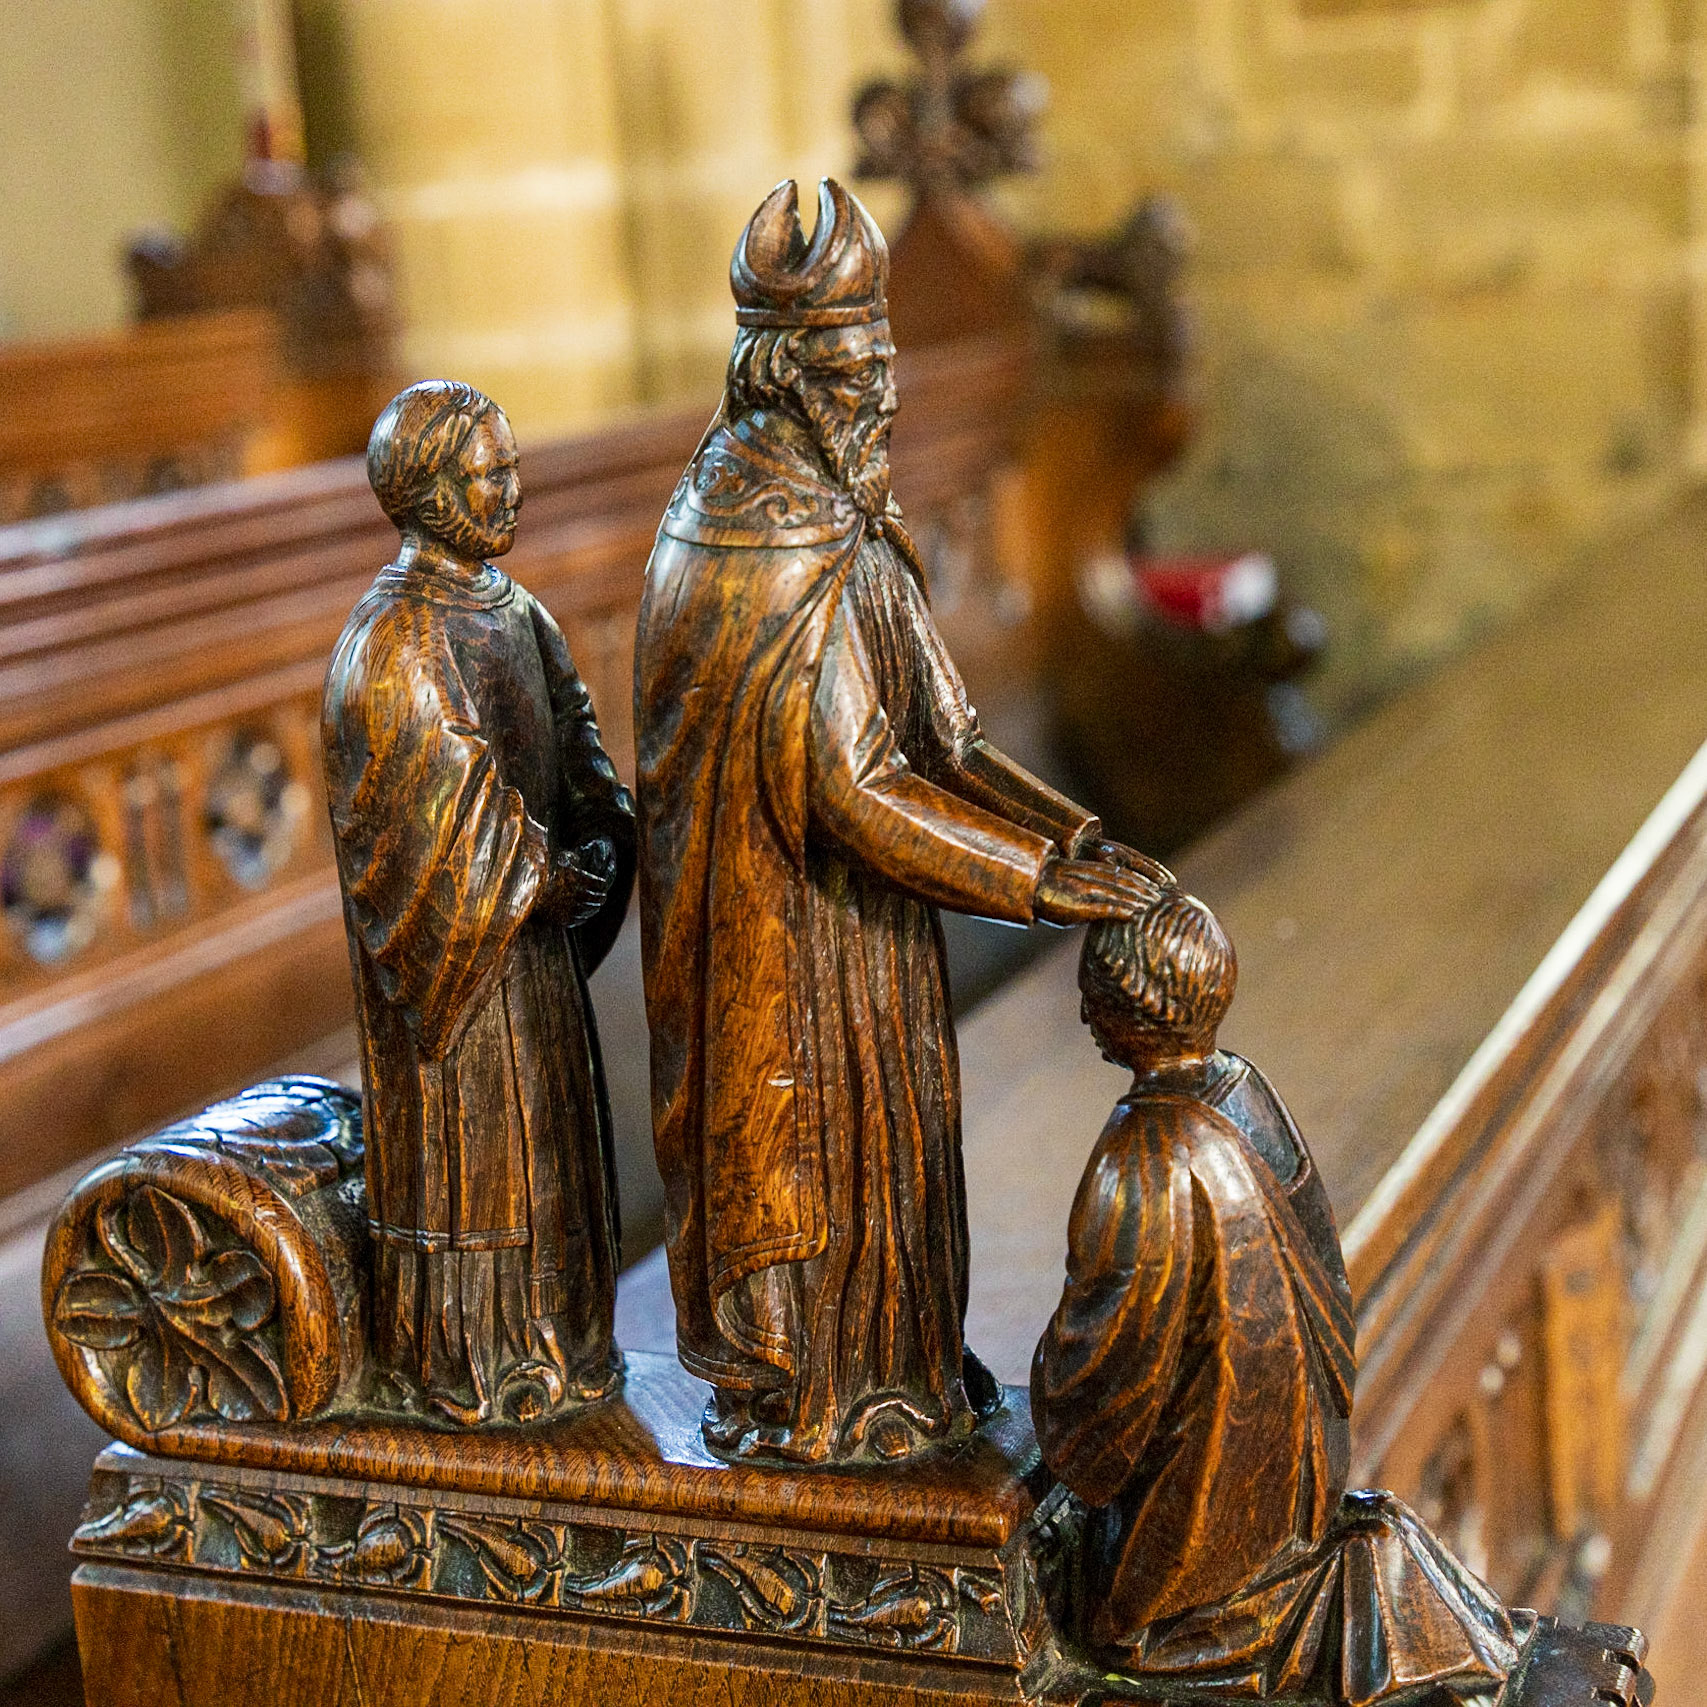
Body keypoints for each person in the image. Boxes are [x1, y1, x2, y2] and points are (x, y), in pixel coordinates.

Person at [634, 178, 1164, 1466]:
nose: (881, 391)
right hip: (783, 962)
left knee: (895, 1186)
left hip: (860, 956)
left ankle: (892, 1384)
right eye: (852, 366)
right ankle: (815, 1407)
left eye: (882, 361)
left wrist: (1078, 839)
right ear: (780, 370)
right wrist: (1042, 885)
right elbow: (856, 795)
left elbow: (950, 741)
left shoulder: (836, 511)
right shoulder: (748, 548)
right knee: (816, 1195)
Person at [1032, 892, 1520, 1702]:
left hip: (1208, 1495)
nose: (1083, 1007)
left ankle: (1204, 1609)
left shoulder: (1147, 1149)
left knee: (1118, 1608)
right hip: (1291, 1462)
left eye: (1096, 990)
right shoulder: (1241, 1088)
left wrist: (1058, 1402)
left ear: (1131, 1007)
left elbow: (1106, 1360)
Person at [323, 379, 634, 1425]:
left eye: (513, 467)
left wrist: (602, 819)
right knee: (484, 1162)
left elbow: (574, 733)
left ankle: (567, 1347)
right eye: (488, 473)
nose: (512, 490)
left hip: (531, 959)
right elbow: (438, 802)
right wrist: (543, 872)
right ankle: (472, 1370)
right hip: (463, 979)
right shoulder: (395, 639)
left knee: (552, 1145)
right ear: (423, 490)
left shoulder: (517, 612)